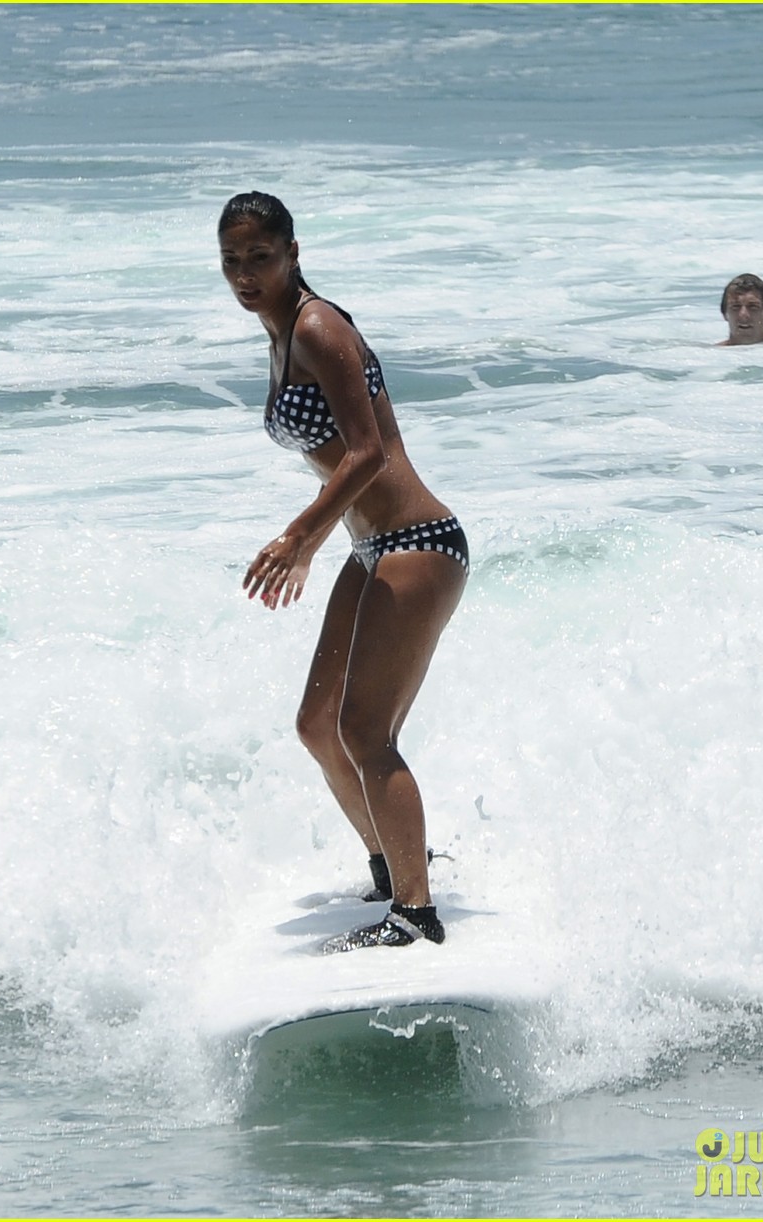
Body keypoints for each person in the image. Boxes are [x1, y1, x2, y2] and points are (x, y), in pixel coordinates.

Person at [218, 191, 468, 953]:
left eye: (260, 258)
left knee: (363, 728)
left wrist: (299, 538)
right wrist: (327, 541)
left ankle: (415, 915)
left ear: (293, 252)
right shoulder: (280, 332)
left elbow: (368, 454)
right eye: (232, 262)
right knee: (316, 726)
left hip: (418, 541)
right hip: (372, 547)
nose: (245, 275)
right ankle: (394, 870)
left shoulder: (318, 328)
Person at [718, 273, 763, 345]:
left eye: (753, 307)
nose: (743, 315)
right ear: (724, 313)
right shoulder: (711, 353)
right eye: (735, 307)